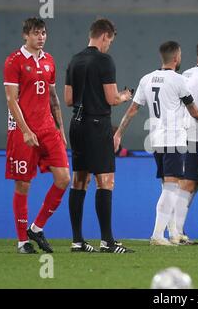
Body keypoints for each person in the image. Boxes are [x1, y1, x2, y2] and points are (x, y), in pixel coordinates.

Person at [113, 41, 198, 246]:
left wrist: (119, 133)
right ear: (176, 58)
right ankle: (157, 235)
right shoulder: (178, 80)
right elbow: (194, 111)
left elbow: (132, 110)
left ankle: (173, 233)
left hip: (155, 140)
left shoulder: (146, 79)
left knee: (168, 186)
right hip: (174, 139)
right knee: (172, 188)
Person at [64, 18, 133, 253]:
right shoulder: (104, 60)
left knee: (79, 180)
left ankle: (77, 241)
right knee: (106, 181)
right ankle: (107, 242)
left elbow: (68, 99)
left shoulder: (75, 60)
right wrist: (125, 96)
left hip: (77, 124)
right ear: (105, 36)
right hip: (97, 123)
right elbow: (112, 99)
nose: (109, 46)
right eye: (110, 41)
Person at [4, 17, 70, 254]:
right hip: (23, 131)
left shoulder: (49, 61)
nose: (40, 37)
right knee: (23, 184)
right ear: (25, 35)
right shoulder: (14, 61)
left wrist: (60, 129)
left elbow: (53, 97)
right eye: (35, 33)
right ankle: (23, 241)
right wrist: (25, 131)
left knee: (63, 178)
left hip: (48, 129)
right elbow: (11, 99)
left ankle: (37, 227)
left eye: (43, 33)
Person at [166, 41, 198, 245]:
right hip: (193, 135)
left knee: (196, 178)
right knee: (187, 183)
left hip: (180, 133)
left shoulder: (185, 74)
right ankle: (176, 231)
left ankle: (175, 227)